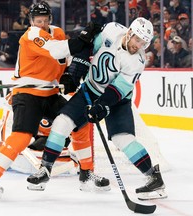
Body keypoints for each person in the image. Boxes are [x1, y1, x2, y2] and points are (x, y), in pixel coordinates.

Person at [27, 17, 167, 201]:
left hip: (117, 100)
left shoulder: (137, 61)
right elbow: (88, 48)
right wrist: (74, 73)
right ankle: (45, 169)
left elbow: (118, 89)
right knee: (62, 122)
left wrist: (101, 106)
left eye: (143, 43)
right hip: (90, 89)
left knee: (122, 139)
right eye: (137, 40)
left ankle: (154, 178)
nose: (138, 45)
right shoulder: (111, 31)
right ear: (130, 33)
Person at [0, 1, 107, 195]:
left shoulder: (57, 33)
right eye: (38, 20)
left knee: (80, 124)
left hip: (50, 93)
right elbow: (59, 50)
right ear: (31, 21)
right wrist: (84, 37)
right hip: (27, 93)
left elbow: (64, 59)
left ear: (50, 19)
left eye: (45, 20)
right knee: (23, 136)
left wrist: (67, 76)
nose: (42, 23)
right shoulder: (31, 34)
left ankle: (87, 174)